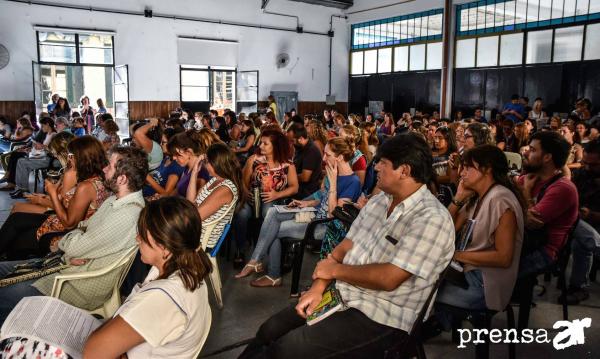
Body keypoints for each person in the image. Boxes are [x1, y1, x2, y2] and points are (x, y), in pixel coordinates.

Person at [239, 133, 454, 358]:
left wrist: (334, 271)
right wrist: (318, 288)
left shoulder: (431, 218)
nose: (376, 168)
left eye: (383, 163)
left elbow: (389, 278)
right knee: (270, 330)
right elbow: (343, 248)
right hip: (343, 295)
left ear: (405, 171)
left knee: (287, 350)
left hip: (383, 314)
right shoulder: (380, 202)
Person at [0, 146, 148, 325]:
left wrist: (69, 244)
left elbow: (74, 241)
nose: (104, 169)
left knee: (3, 295)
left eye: (109, 166)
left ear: (123, 178)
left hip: (76, 284)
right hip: (68, 264)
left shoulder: (127, 214)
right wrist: (74, 244)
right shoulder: (114, 201)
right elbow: (81, 227)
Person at [83, 196, 212, 358]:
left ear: (164, 248)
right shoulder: (190, 270)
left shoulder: (163, 298)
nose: (137, 239)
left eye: (143, 235)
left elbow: (92, 353)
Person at [236, 137, 362, 287]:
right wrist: (305, 203)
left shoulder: (352, 182)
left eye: (327, 155)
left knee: (272, 229)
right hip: (314, 214)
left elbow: (332, 215)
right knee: (272, 213)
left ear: (340, 157)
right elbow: (321, 196)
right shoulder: (333, 172)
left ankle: (270, 272)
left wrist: (333, 183)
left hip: (324, 226)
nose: (323, 158)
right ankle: (257, 262)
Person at [433, 145, 524, 328]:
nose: (462, 173)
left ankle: (430, 328)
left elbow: (503, 257)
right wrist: (458, 198)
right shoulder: (478, 196)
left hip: (486, 284)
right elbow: (446, 227)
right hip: (467, 272)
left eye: (468, 167)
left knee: (421, 292)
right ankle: (435, 325)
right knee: (420, 284)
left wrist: (456, 255)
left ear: (487, 169)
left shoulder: (501, 200)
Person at [0, 135, 110, 259]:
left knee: (16, 237)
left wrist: (52, 194)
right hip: (60, 221)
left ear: (82, 158)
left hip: (65, 231)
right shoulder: (98, 178)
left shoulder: (86, 186)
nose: (69, 159)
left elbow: (69, 224)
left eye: (71, 156)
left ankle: (10, 262)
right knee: (16, 219)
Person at [231, 130, 299, 268]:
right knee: (242, 214)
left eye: (265, 143)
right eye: (261, 142)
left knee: (267, 211)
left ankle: (265, 253)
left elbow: (294, 187)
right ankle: (240, 249)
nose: (260, 146)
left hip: (274, 199)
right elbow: (243, 183)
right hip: (252, 199)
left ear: (276, 146)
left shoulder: (287, 164)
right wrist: (246, 193)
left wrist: (276, 195)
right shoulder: (253, 160)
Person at [517, 131, 579, 277]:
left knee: (496, 268)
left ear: (547, 157)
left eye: (532, 150)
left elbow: (530, 223)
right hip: (523, 240)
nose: (525, 153)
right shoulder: (528, 178)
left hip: (543, 250)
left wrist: (526, 192)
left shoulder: (563, 188)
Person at [186, 143, 244, 249]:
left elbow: (195, 217)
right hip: (194, 232)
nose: (204, 165)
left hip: (201, 240)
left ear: (216, 164)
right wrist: (194, 172)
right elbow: (190, 202)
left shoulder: (225, 189)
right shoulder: (215, 180)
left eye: (207, 162)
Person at [566, 140, 600, 304]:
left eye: (593, 165)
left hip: (594, 220)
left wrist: (592, 215)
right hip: (577, 219)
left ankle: (578, 287)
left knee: (582, 241)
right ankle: (578, 287)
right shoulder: (581, 174)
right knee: (582, 237)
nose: (587, 167)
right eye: (584, 162)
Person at [7, 117, 57, 198]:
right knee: (20, 160)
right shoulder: (47, 134)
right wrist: (36, 147)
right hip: (42, 156)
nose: (41, 128)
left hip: (47, 159)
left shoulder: (54, 135)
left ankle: (23, 189)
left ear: (48, 125)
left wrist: (42, 147)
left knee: (22, 162)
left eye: (43, 126)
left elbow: (53, 151)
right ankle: (20, 188)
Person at [168, 129, 219, 197]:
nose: (173, 158)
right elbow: (178, 190)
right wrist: (163, 198)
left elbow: (194, 203)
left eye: (176, 154)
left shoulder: (201, 173)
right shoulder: (187, 167)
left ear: (188, 152)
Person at [143, 128, 184, 198]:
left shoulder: (176, 166)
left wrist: (147, 177)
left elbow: (166, 193)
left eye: (163, 142)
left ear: (172, 144)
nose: (161, 144)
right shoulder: (166, 158)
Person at [287, 124, 323, 199]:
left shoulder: (311, 150)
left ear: (300, 138)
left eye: (292, 140)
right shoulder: (300, 147)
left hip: (306, 192)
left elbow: (305, 177)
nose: (291, 143)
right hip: (298, 188)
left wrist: (288, 177)